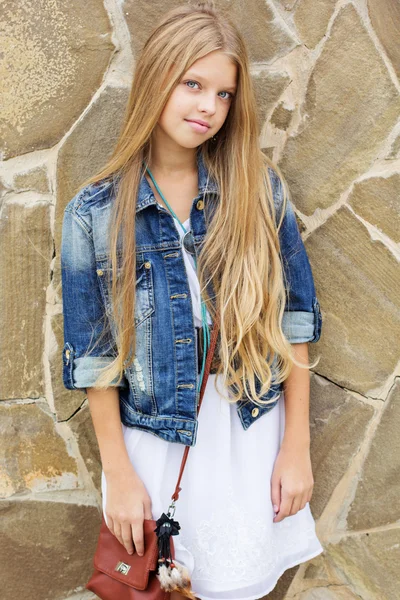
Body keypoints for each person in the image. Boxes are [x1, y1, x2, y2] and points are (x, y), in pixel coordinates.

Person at [60, 2, 324, 599]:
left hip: (249, 429)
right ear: (158, 79)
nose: (208, 107)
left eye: (225, 94)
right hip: (154, 441)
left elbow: (296, 321)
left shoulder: (256, 191)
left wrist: (296, 446)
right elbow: (94, 359)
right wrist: (117, 473)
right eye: (193, 84)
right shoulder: (95, 214)